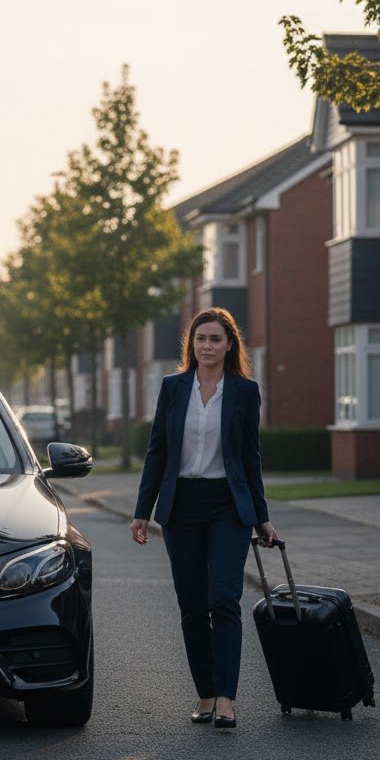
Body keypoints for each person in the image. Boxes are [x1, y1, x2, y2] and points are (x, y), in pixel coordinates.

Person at [130, 308, 277, 730]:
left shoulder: (245, 392)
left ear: (230, 344)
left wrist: (261, 517)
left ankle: (227, 698)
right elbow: (157, 451)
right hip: (182, 508)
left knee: (224, 598)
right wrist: (142, 511)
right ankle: (206, 693)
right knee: (192, 604)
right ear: (191, 346)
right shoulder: (173, 388)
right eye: (201, 339)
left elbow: (250, 458)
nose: (207, 346)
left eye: (215, 339)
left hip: (227, 507)